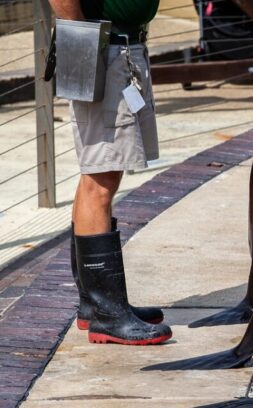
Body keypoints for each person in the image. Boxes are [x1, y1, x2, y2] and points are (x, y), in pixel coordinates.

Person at [50, 0, 172, 345]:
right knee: (100, 177)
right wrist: (88, 44)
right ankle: (107, 314)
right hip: (105, 49)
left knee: (101, 173)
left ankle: (96, 304)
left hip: (123, 49)